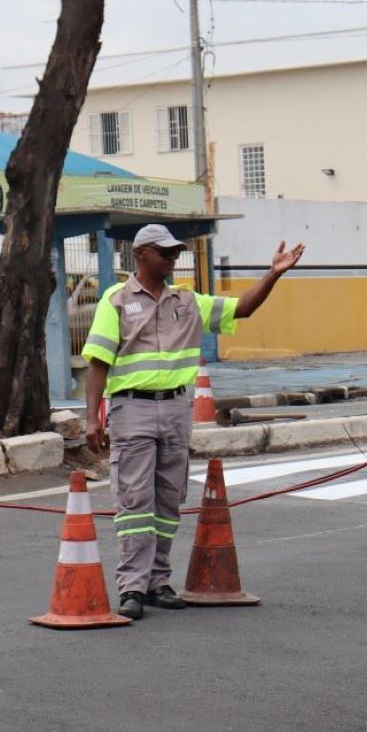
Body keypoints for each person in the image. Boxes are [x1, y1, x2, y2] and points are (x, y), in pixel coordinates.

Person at [82, 223, 305, 620]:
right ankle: (132, 587)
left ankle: (157, 582)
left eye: (175, 253)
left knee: (169, 499)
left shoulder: (187, 301)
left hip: (176, 410)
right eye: (164, 252)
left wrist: (273, 274)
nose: (173, 258)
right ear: (140, 255)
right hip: (131, 409)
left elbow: (243, 308)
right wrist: (92, 419)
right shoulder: (115, 301)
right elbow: (99, 362)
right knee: (134, 502)